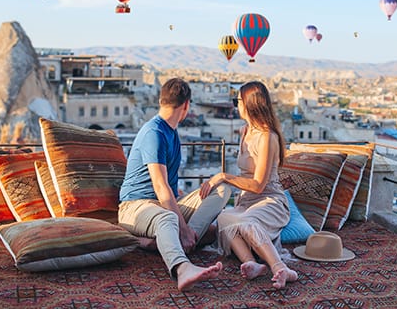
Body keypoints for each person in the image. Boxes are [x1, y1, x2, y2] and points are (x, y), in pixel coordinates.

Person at [118, 77, 232, 292]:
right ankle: (182, 267)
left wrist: (186, 226)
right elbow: (161, 188)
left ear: (161, 100)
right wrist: (184, 227)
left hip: (163, 207)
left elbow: (170, 188)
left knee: (223, 188)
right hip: (136, 207)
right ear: (186, 106)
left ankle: (178, 241)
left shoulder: (171, 131)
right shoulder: (155, 133)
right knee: (170, 218)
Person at [199, 81, 298, 289]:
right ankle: (250, 263)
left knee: (245, 221)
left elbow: (258, 185)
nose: (237, 105)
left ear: (250, 104)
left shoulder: (267, 137)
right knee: (225, 217)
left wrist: (223, 176)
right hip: (246, 201)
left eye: (239, 101)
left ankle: (280, 268)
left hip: (269, 200)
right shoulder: (245, 132)